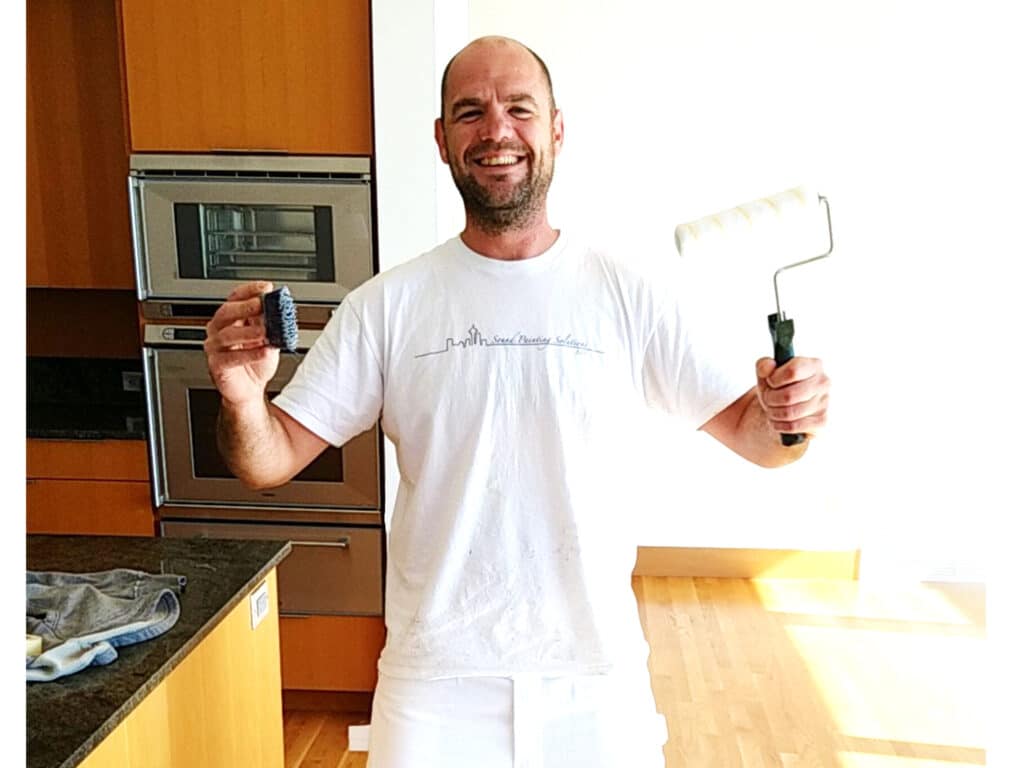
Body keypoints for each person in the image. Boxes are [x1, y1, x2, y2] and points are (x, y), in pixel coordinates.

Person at [204, 35, 830, 768]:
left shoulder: (629, 294)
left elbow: (761, 441)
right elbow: (268, 461)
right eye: (469, 113)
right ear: (442, 141)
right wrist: (245, 400)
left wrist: (790, 416)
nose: (495, 130)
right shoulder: (387, 306)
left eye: (518, 109)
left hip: (596, 681)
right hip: (433, 681)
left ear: (556, 130)